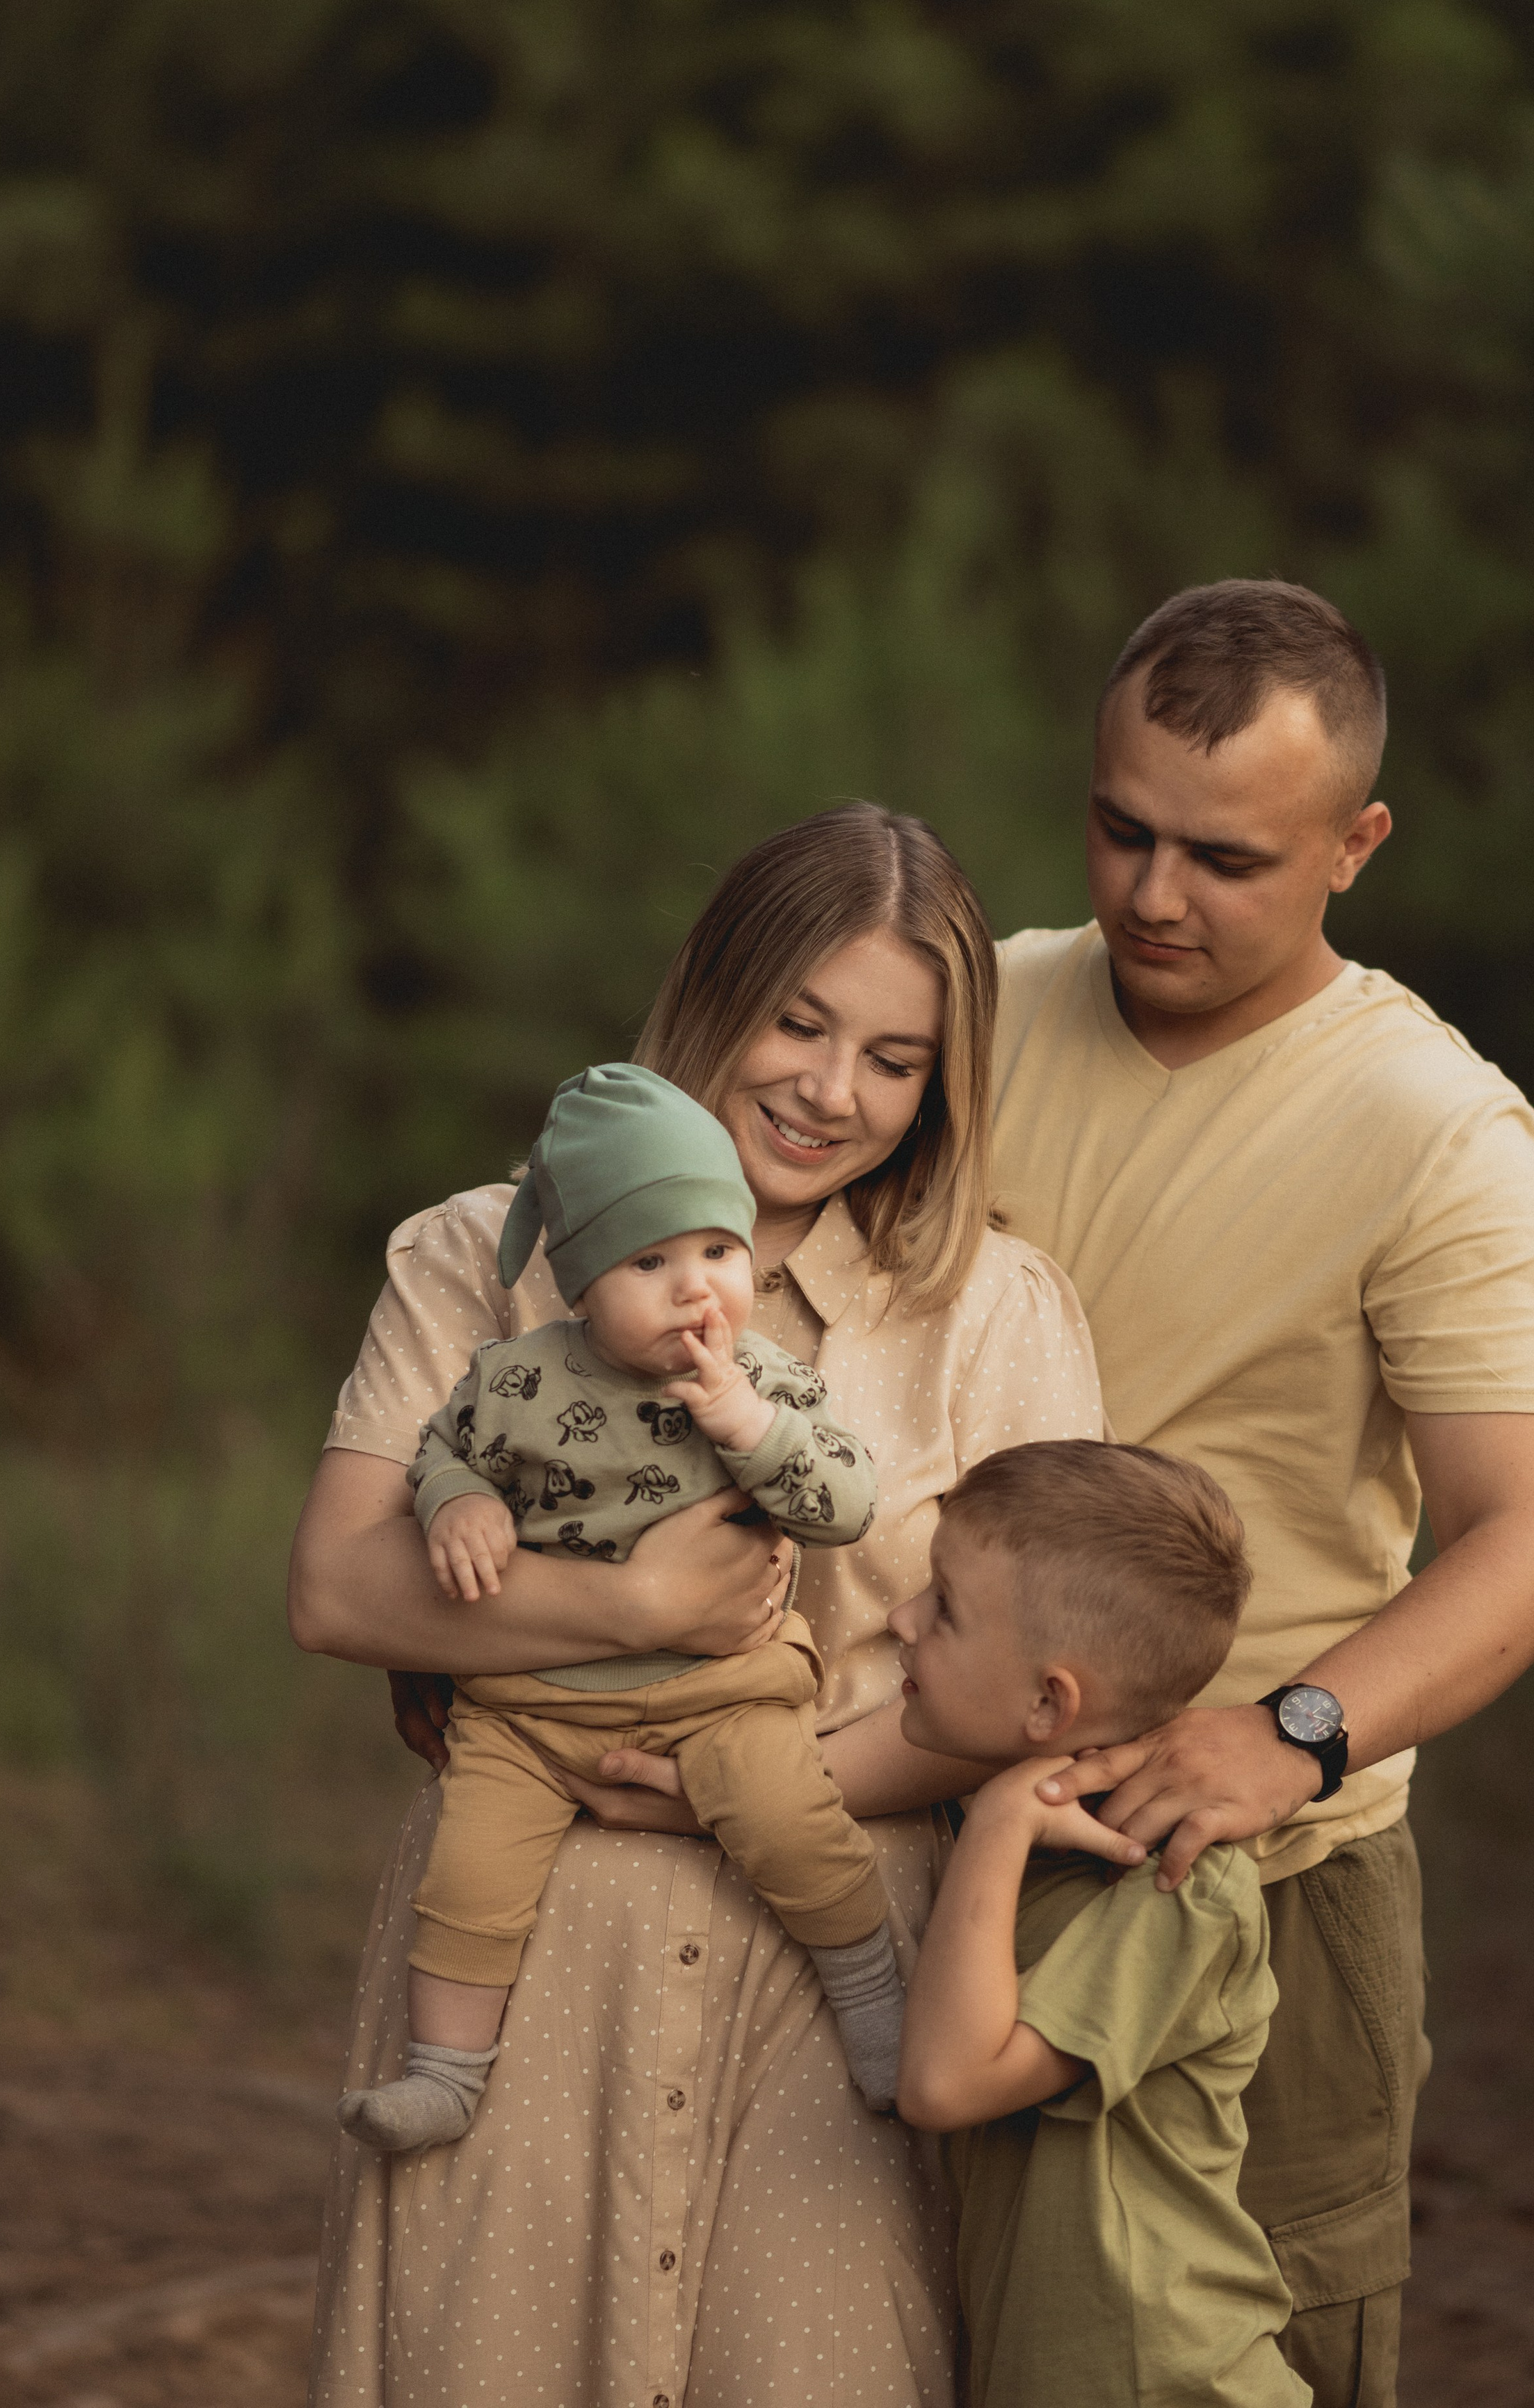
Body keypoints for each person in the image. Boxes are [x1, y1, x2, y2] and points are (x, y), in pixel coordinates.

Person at [289, 803, 1119, 2408]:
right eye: (797, 1021)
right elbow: (335, 1585)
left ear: (942, 1082)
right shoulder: (482, 1254)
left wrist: (738, 1792)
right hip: (528, 1957)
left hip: (833, 1968)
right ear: (708, 996)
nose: (829, 1089)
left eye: (891, 1056)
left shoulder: (993, 1314)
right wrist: (624, 1607)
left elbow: (1042, 1682)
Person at [990, 579, 1534, 2408]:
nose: (1153, 896)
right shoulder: (968, 1007)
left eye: (1225, 858)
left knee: (1257, 2368)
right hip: (923, 1844)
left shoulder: (1434, 1128)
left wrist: (1295, 1732)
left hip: (1254, 1887)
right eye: (1122, 830)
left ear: (1358, 844)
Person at [337, 1061, 903, 2154]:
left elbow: (845, 1505)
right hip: (531, 1708)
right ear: (582, 1283)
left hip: (724, 1694)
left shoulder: (769, 1380)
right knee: (471, 1871)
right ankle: (444, 2076)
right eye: (653, 1261)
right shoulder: (518, 1381)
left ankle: (876, 2009)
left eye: (719, 1253)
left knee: (800, 1827)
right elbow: (440, 1455)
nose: (699, 1290)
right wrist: (458, 1507)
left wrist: (747, 1425)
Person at [892, 1440, 1310, 2408]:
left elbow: (946, 2082)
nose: (899, 1618)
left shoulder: (1179, 1887)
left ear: (1052, 1701)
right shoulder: (1010, 1840)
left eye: (943, 1608)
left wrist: (1000, 1816)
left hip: (1161, 2378)